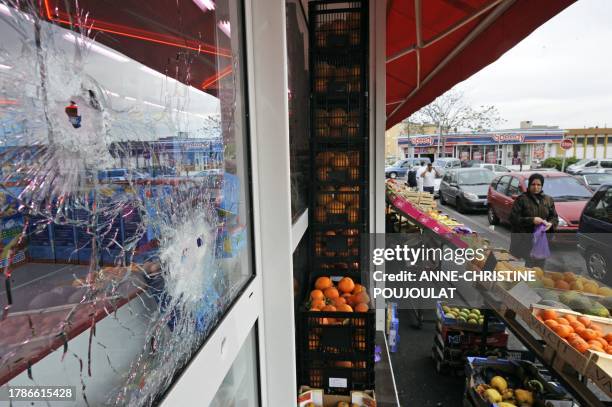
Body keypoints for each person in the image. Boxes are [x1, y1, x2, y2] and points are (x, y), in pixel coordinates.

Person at [509, 173, 558, 268]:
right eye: (533, 184)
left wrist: (550, 224)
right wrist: (532, 220)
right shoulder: (521, 199)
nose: (536, 187)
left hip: (540, 243)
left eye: (538, 185)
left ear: (542, 185)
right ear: (529, 185)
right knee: (522, 274)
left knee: (538, 273)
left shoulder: (548, 200)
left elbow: (554, 217)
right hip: (522, 243)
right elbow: (513, 219)